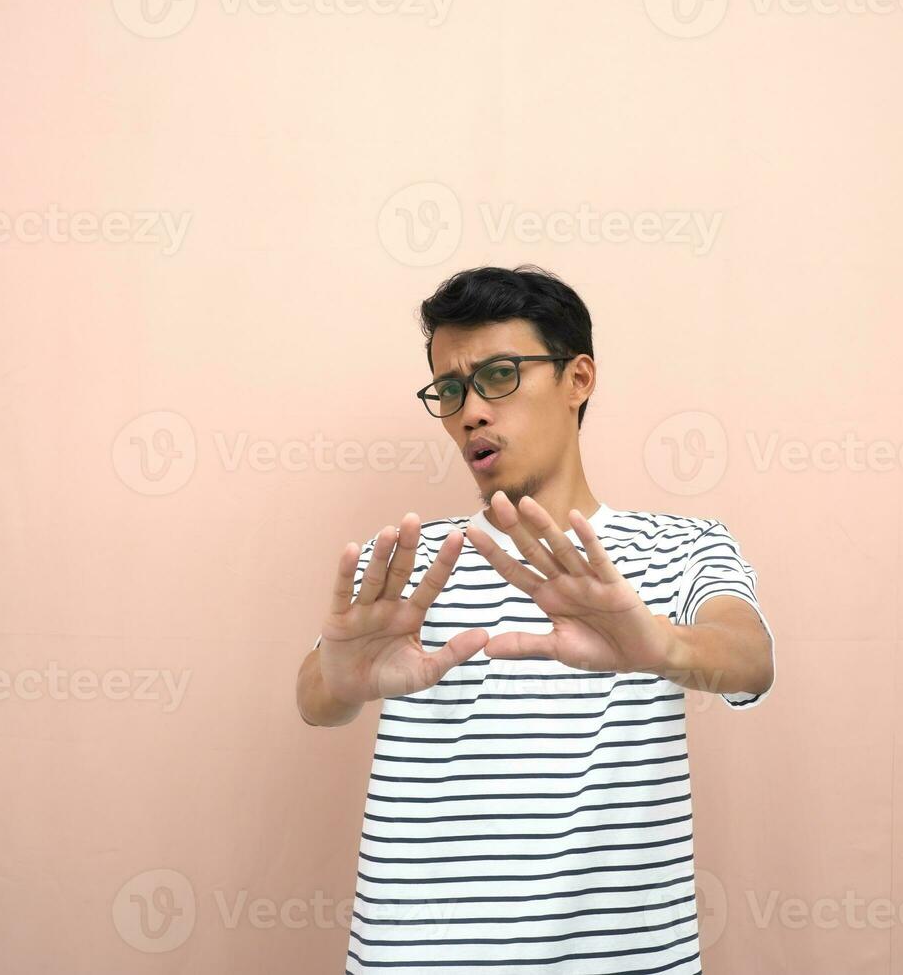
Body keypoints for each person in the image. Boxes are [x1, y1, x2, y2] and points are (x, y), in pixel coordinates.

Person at [295, 265, 776, 973]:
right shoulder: (410, 562)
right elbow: (317, 696)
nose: (470, 413)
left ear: (578, 378)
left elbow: (750, 657)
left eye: (498, 375)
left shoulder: (680, 547)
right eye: (450, 390)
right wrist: (338, 680)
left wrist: (660, 645)